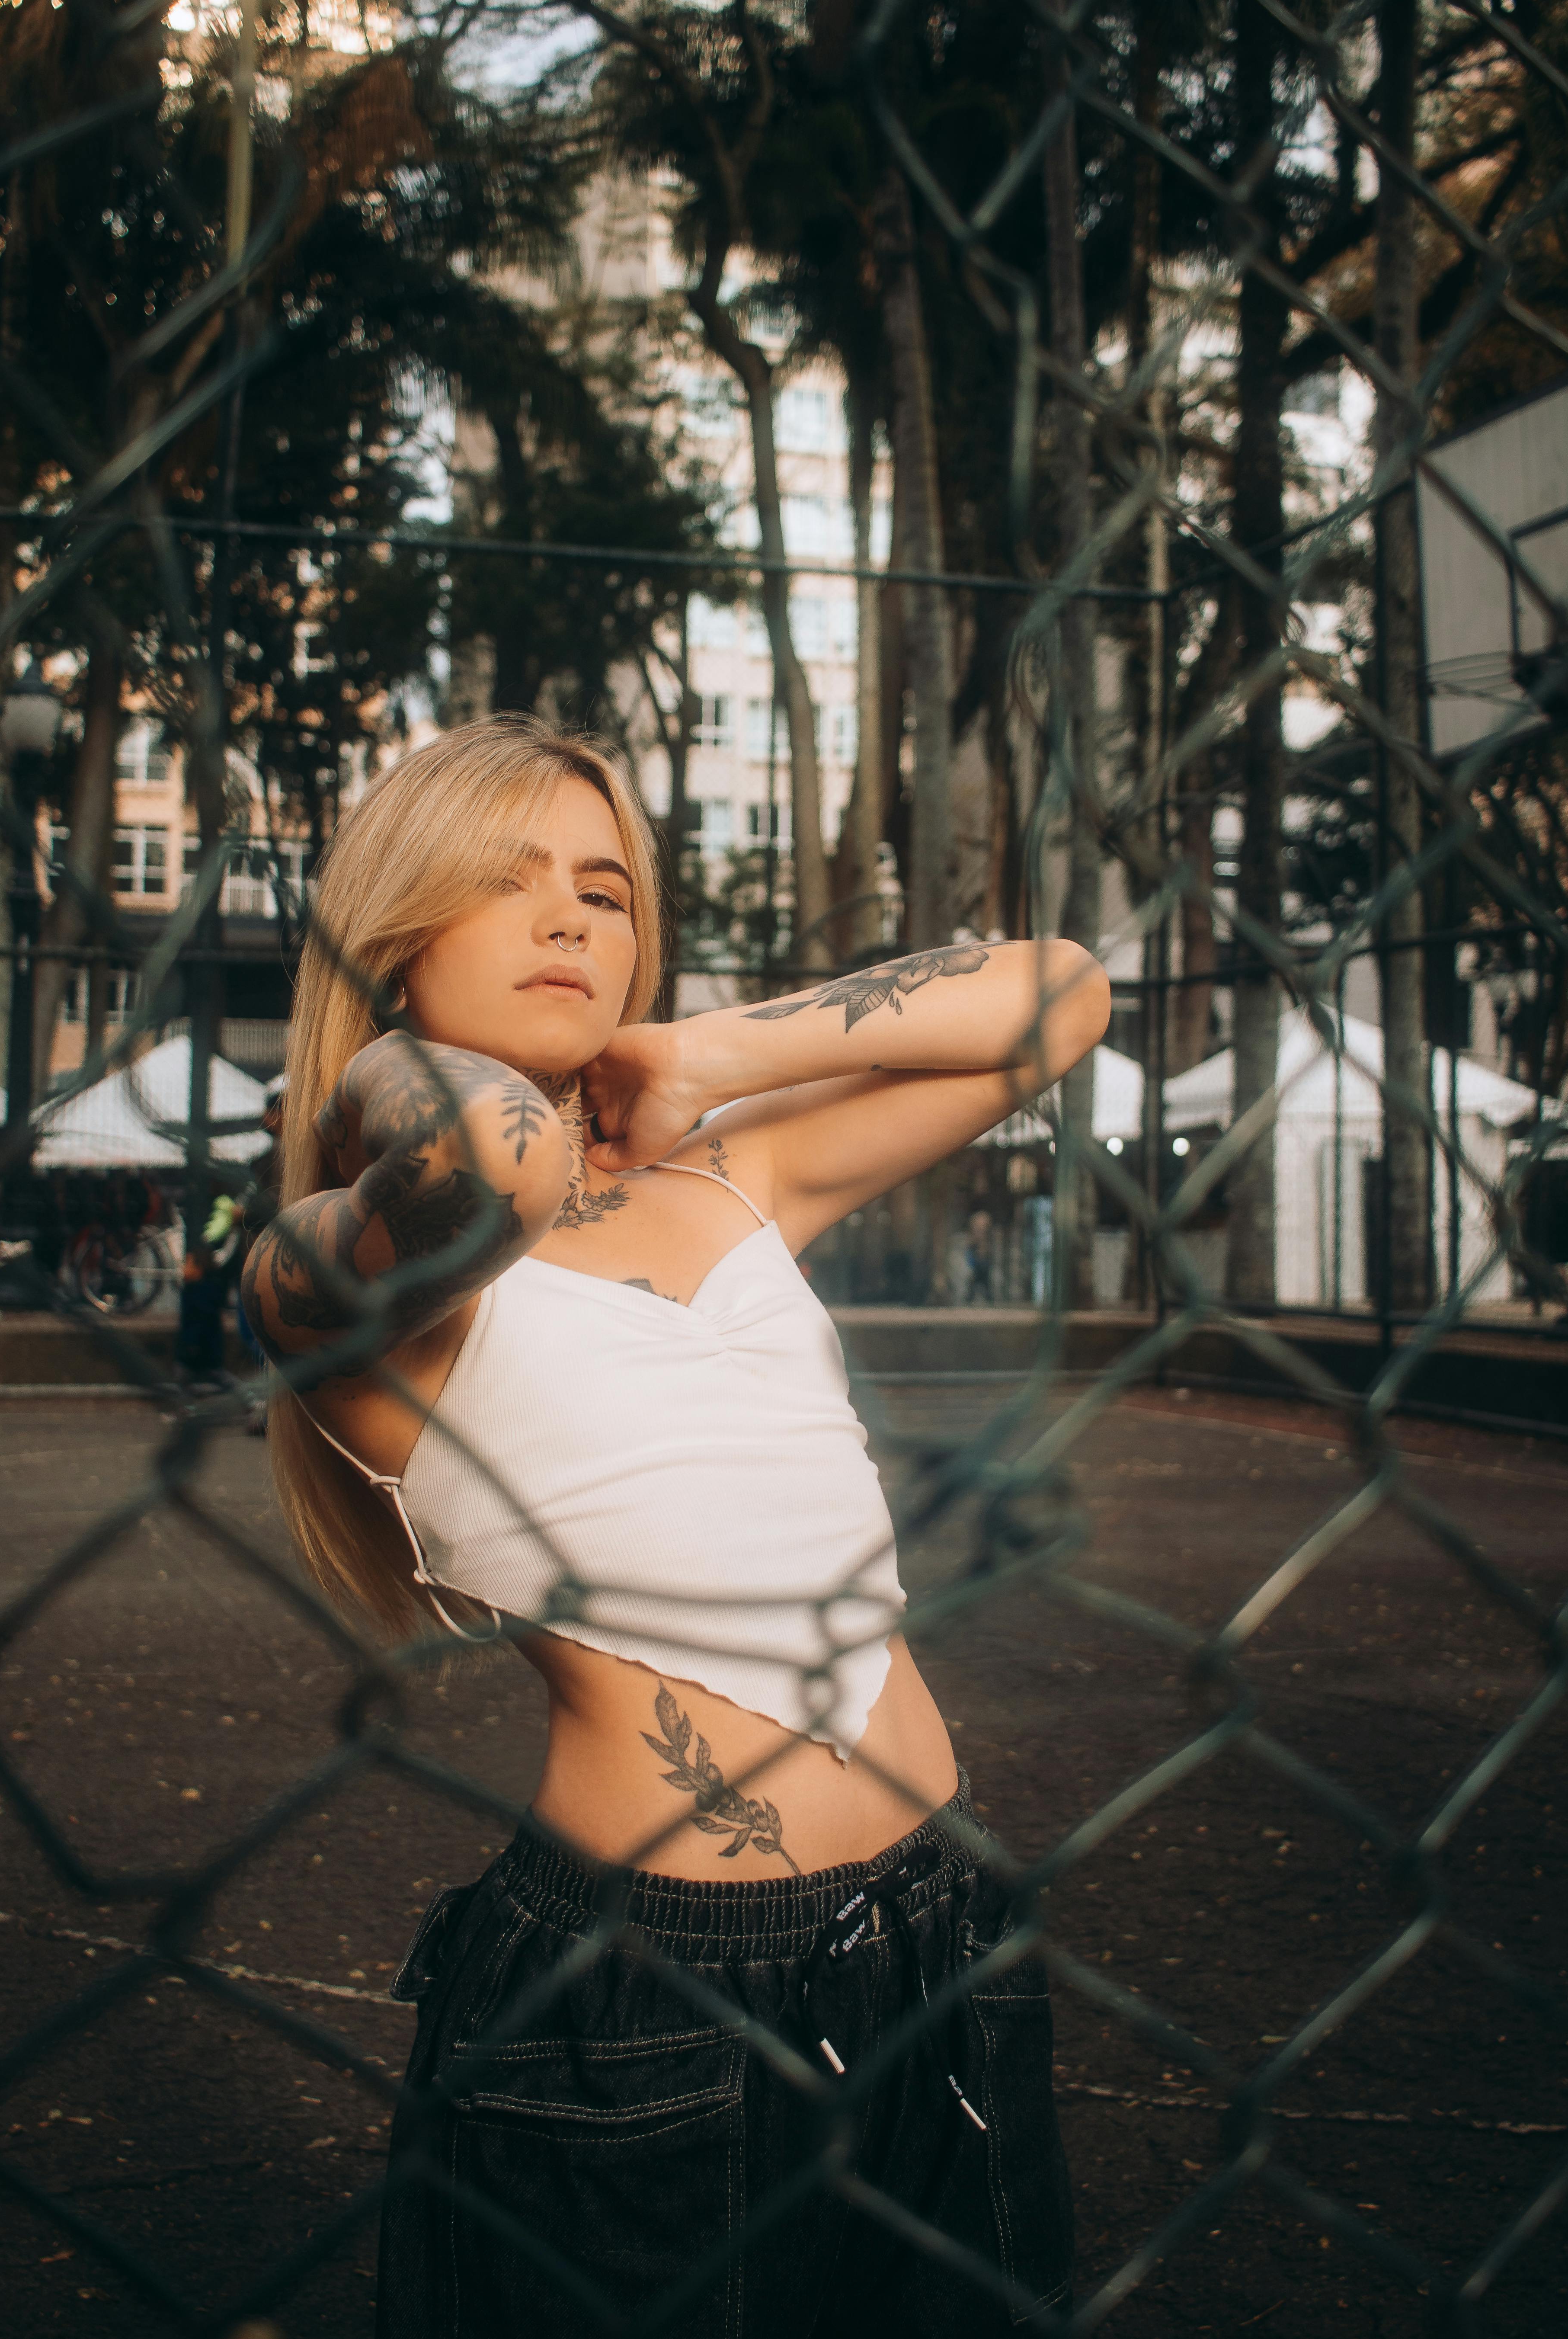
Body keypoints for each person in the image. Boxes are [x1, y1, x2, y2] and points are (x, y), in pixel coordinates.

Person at [243, 715, 1109, 2338]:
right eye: (508, 883)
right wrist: (386, 1052)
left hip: (943, 1918)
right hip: (650, 1997)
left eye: (606, 886)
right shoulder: (333, 1272)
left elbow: (1060, 991)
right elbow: (481, 1161)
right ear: (394, 931)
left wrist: (708, 1054)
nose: (575, 919)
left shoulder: (734, 1174)